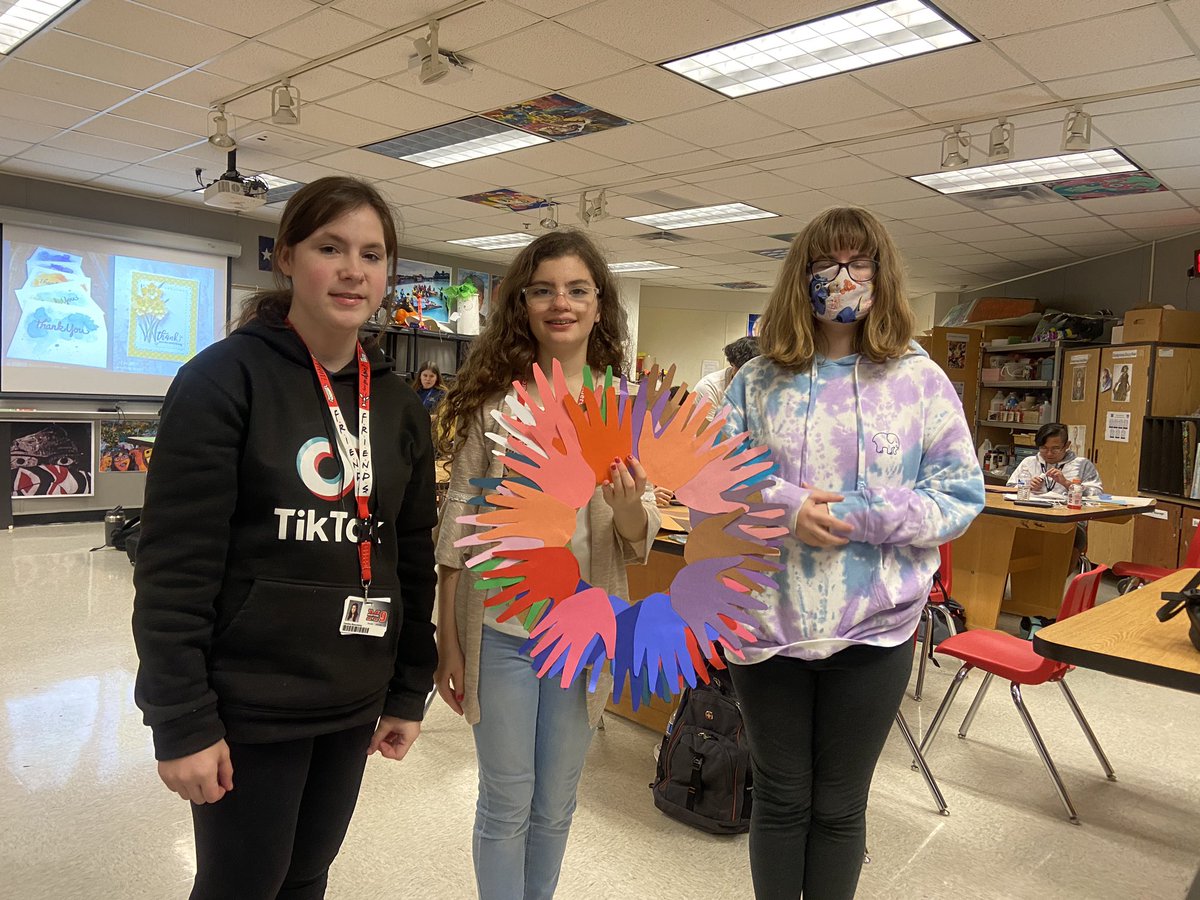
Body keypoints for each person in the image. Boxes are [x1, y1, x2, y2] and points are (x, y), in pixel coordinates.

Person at [131, 176, 438, 900]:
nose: (352, 270)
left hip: (352, 695)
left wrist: (407, 689)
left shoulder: (396, 404)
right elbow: (174, 566)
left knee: (305, 879)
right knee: (243, 884)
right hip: (249, 701)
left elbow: (412, 555)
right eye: (331, 248)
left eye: (371, 253)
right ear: (289, 258)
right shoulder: (220, 381)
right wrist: (179, 720)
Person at [720, 207, 984, 899]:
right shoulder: (757, 381)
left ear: (880, 273)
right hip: (767, 623)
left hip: (875, 625)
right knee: (780, 798)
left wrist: (864, 517)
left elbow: (959, 495)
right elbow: (712, 475)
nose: (841, 278)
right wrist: (786, 508)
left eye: (857, 263)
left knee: (839, 804)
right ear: (799, 275)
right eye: (825, 264)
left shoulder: (919, 381)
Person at [433, 230, 661, 900]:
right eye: (544, 290)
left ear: (599, 305)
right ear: (524, 304)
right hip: (501, 634)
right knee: (506, 801)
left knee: (556, 806)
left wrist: (623, 507)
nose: (560, 303)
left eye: (577, 290)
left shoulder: (620, 405)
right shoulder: (495, 404)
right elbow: (456, 537)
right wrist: (447, 641)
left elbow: (636, 532)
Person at [1006, 423, 1102, 498]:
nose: (1049, 453)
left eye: (1055, 449)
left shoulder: (1082, 464)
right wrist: (1027, 486)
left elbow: (1097, 494)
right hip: (1032, 512)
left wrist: (1067, 484)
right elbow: (1009, 487)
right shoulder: (1029, 462)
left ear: (1067, 445)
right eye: (1043, 448)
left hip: (1067, 515)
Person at [692, 335, 759, 421]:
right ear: (732, 364)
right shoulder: (709, 387)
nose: (749, 379)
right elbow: (704, 432)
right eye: (743, 372)